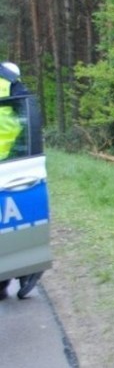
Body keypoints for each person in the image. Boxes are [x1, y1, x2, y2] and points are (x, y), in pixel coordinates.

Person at [0, 61, 40, 300]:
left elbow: (29, 116)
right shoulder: (8, 78)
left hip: (7, 167)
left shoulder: (7, 79)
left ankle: (21, 268)